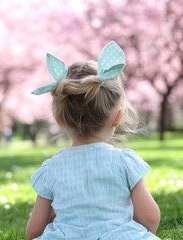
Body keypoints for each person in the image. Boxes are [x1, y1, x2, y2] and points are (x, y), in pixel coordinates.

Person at [26, 41, 160, 240]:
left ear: (59, 119)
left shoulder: (51, 169)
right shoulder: (124, 162)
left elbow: (34, 231)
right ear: (117, 117)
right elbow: (150, 217)